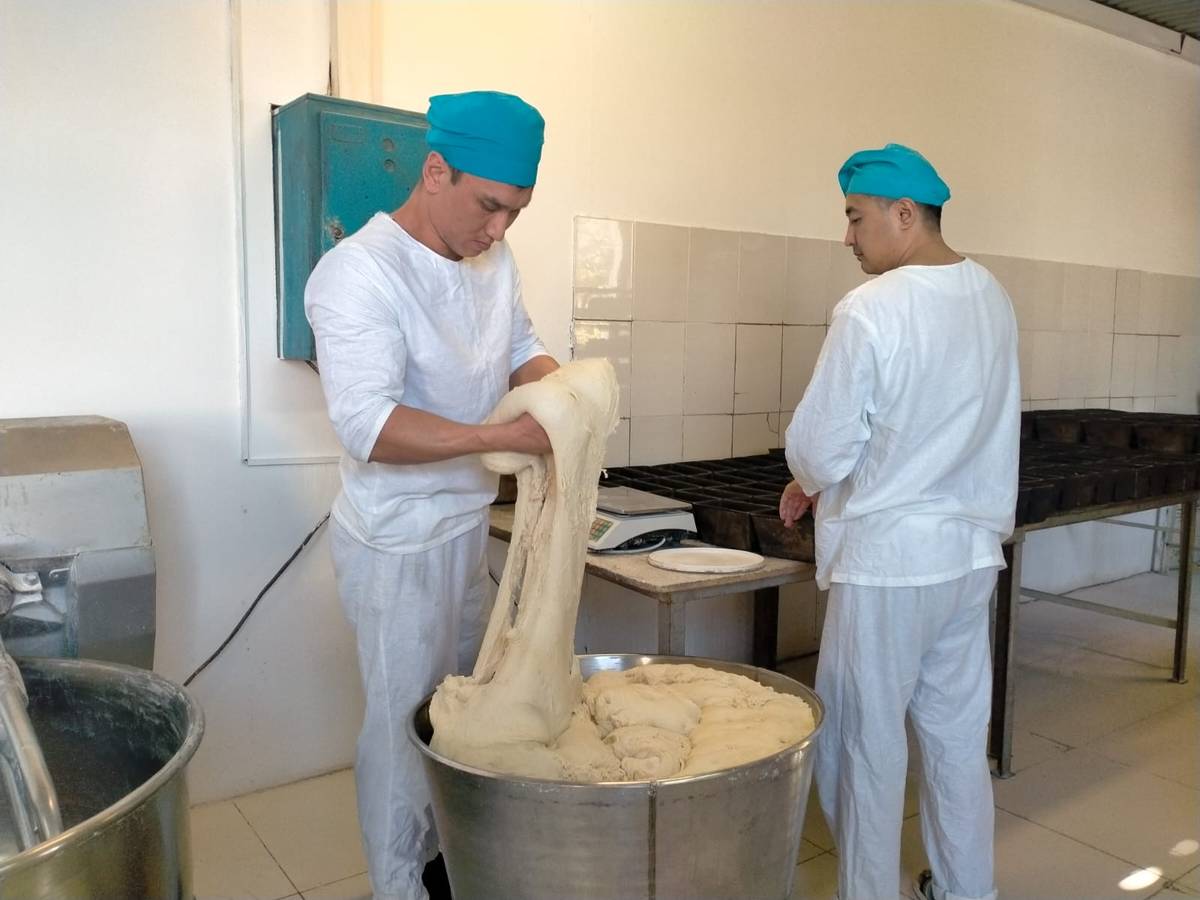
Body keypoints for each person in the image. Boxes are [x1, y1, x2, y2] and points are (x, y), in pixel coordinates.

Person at [305, 90, 559, 900]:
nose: (499, 230)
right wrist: (500, 438)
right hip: (397, 544)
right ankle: (398, 885)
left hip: (464, 529)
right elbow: (368, 424)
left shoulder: (493, 263)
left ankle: (448, 864)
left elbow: (521, 347)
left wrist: (569, 396)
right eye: (489, 206)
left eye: (515, 212)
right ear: (436, 171)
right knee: (400, 730)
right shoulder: (359, 273)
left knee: (465, 714)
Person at [780, 143, 1018, 900]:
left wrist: (806, 478)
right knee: (955, 739)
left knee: (865, 748)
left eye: (856, 218)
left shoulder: (871, 308)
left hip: (887, 566)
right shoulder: (991, 295)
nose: (847, 236)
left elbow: (821, 446)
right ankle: (966, 889)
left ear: (904, 214)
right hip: (969, 557)